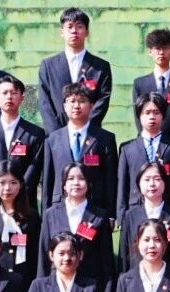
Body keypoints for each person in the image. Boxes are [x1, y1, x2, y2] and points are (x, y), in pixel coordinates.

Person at [42, 82, 119, 214]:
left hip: (95, 209)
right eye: (72, 101)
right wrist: (46, 214)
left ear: (91, 106)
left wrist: (111, 214)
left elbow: (111, 180)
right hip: (60, 206)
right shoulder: (52, 140)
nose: (76, 106)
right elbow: (47, 180)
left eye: (82, 101)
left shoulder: (105, 139)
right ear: (64, 106)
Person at [38, 163, 115, 289]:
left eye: (81, 178)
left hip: (90, 287)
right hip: (57, 285)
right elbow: (43, 255)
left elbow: (106, 259)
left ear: (88, 183)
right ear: (64, 184)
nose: (76, 183)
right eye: (70, 178)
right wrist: (42, 288)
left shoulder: (100, 216)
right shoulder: (50, 215)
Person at [37, 7, 112, 133]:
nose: (74, 31)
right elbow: (45, 103)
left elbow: (102, 101)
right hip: (56, 135)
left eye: (79, 26)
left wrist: (84, 129)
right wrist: (57, 135)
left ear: (87, 32)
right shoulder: (48, 66)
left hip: (90, 134)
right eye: (69, 26)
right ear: (62, 32)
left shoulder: (100, 67)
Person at [0, 74, 46, 203]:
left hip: (24, 203)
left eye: (14, 93)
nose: (9, 97)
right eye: (5, 93)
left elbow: (34, 170)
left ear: (22, 98)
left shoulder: (35, 133)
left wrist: (17, 194)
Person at [118, 158, 170, 274]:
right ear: (139, 183)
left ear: (165, 183)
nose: (152, 184)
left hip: (169, 278)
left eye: (157, 179)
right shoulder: (130, 216)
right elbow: (124, 255)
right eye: (147, 179)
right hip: (137, 277)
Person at [117, 92, 170, 215]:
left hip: (167, 211)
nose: (152, 117)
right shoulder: (127, 149)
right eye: (147, 113)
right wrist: (122, 216)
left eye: (156, 112)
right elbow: (122, 185)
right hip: (135, 210)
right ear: (139, 115)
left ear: (163, 116)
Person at [0, 159, 41, 283]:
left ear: (20, 185)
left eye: (13, 182)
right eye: (2, 182)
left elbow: (36, 253)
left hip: (24, 281)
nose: (7, 188)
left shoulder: (31, 216)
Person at [131, 28, 170, 147]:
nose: (161, 53)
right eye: (157, 48)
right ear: (150, 51)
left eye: (165, 48)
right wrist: (148, 139)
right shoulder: (140, 84)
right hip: (147, 144)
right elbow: (138, 116)